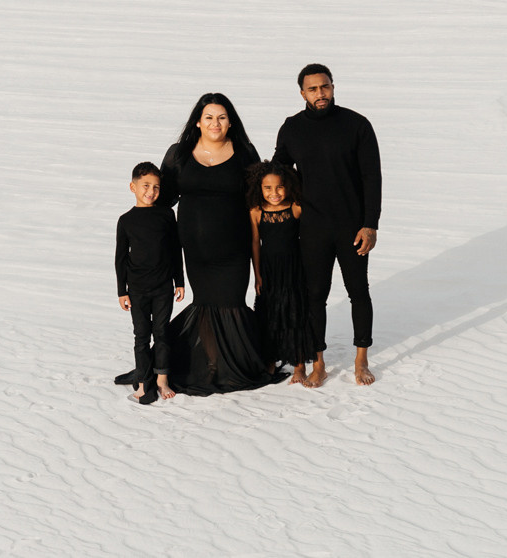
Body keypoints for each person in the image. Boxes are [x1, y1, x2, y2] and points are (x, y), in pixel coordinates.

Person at [272, 64, 381, 387]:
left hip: (352, 227)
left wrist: (370, 225)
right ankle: (318, 362)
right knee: (314, 296)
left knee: (358, 291)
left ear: (333, 87)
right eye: (313, 89)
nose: (320, 94)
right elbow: (278, 174)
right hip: (312, 228)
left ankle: (361, 360)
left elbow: (372, 177)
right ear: (302, 93)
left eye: (325, 87)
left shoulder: (357, 125)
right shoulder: (292, 128)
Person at [161, 93, 275, 394]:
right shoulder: (178, 154)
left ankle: (237, 365)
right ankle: (212, 364)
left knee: (232, 303)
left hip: (235, 247)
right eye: (209, 117)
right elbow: (164, 199)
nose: (216, 123)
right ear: (198, 122)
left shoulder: (244, 152)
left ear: (230, 122)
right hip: (195, 249)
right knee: (206, 303)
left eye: (222, 117)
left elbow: (258, 197)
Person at [114, 161, 184, 405]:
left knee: (162, 333)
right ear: (132, 187)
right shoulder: (126, 220)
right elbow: (120, 259)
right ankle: (143, 382)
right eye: (145, 185)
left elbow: (175, 249)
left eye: (156, 187)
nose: (151, 191)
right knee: (141, 336)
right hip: (137, 289)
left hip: (163, 286)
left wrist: (179, 281)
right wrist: (121, 291)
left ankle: (162, 380)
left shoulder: (166, 215)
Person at [248, 161, 314, 384]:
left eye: (279, 187)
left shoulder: (296, 207)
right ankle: (270, 360)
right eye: (268, 188)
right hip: (269, 269)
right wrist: (257, 274)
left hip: (293, 268)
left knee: (295, 311)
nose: (274, 193)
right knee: (269, 313)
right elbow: (255, 243)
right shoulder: (256, 211)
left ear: (288, 186)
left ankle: (299, 365)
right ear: (259, 188)